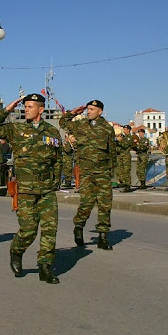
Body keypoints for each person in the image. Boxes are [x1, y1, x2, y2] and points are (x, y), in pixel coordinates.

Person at [0, 93, 62, 284]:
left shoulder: (52, 133)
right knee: (28, 229)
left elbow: (57, 159)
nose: (26, 109)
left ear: (41, 109)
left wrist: (54, 182)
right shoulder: (16, 129)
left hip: (46, 189)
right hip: (26, 189)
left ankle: (45, 267)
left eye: (30, 106)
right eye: (25, 106)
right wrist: (7, 109)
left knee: (50, 229)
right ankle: (16, 250)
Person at [59, 99, 116, 250]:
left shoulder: (107, 129)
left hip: (103, 172)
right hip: (86, 172)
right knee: (87, 203)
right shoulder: (80, 125)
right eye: (88, 109)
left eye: (91, 109)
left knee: (105, 204)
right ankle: (78, 226)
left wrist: (112, 171)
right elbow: (62, 122)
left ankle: (103, 237)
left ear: (100, 111)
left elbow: (112, 152)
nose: (88, 111)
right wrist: (73, 113)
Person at [116, 124, 135, 192]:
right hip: (121, 156)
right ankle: (123, 183)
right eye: (123, 129)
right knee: (120, 170)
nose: (124, 131)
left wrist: (119, 141)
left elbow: (125, 146)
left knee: (126, 171)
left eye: (125, 129)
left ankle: (128, 185)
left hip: (126, 156)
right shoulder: (124, 137)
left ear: (128, 130)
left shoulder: (129, 137)